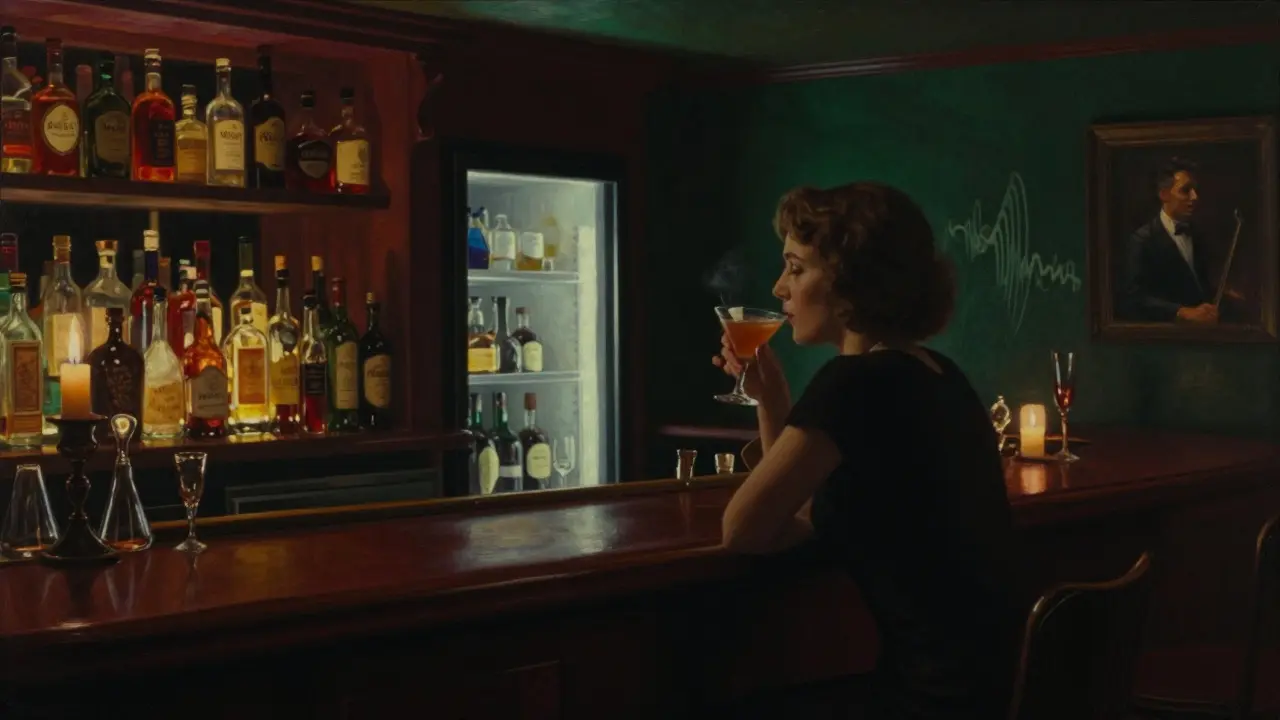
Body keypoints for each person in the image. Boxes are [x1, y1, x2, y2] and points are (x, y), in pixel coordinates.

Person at [712, 182, 1018, 719]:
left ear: (851, 282)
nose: (780, 287)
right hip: (987, 691)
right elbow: (807, 510)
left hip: (928, 701)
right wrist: (773, 402)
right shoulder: (940, 374)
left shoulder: (852, 383)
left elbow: (743, 530)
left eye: (796, 267)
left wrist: (780, 404)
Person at [1119, 157, 1240, 324]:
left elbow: (1193, 286)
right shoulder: (1142, 240)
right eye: (1186, 190)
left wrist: (1222, 294)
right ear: (1164, 194)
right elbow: (1133, 299)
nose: (1195, 196)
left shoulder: (1197, 236)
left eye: (1195, 190)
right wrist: (1182, 312)